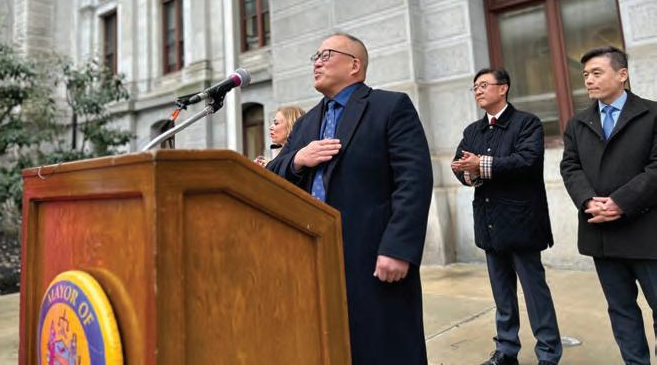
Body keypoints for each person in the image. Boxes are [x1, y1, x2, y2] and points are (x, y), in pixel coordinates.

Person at [267, 33, 433, 364]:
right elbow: (272, 175)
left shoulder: (389, 107)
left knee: (383, 347)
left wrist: (398, 247)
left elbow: (414, 180)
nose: (317, 63)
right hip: (313, 256)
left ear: (354, 65)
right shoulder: (307, 123)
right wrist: (299, 158)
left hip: (372, 256)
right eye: (315, 56)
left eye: (326, 55)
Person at [451, 68, 561, 365]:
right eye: (475, 87)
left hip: (522, 222)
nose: (478, 91)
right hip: (489, 222)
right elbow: (459, 165)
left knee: (535, 292)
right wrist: (468, 171)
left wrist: (481, 165)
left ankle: (548, 353)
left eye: (484, 85)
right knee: (501, 294)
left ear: (503, 88)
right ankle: (506, 350)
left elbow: (527, 161)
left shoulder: (527, 123)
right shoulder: (472, 131)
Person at [560, 46, 657, 365]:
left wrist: (621, 202)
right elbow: (570, 167)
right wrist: (589, 201)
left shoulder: (652, 114)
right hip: (602, 234)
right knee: (621, 311)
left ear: (622, 74)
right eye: (585, 75)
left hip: (648, 234)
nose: (588, 80)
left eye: (596, 73)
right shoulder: (578, 123)